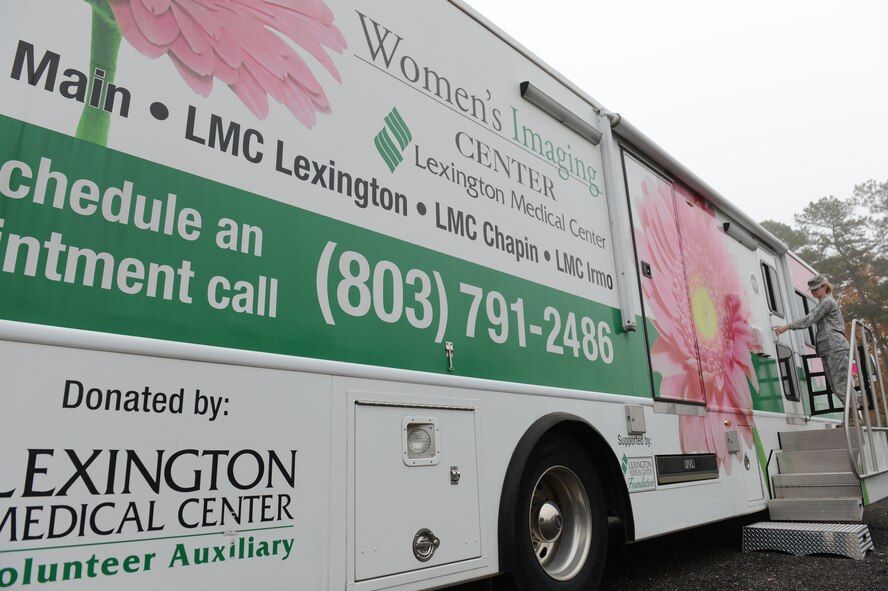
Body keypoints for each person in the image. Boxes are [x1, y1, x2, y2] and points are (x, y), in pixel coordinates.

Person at [775, 274, 850, 403]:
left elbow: (810, 319)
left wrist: (787, 326)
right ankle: (851, 413)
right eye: (812, 290)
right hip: (829, 349)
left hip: (835, 347)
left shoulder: (827, 302)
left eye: (816, 288)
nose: (814, 292)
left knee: (840, 384)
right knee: (835, 384)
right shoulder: (824, 302)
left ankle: (853, 414)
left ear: (825, 287)